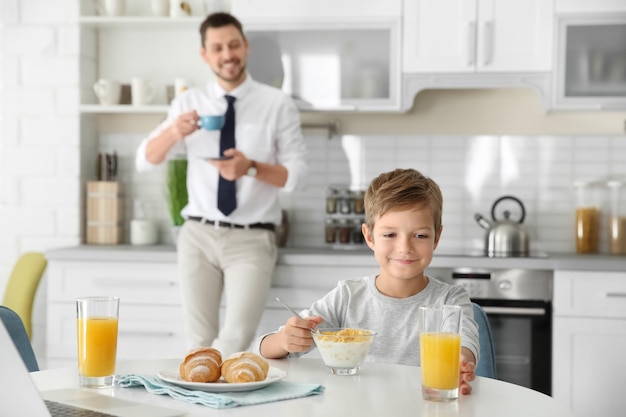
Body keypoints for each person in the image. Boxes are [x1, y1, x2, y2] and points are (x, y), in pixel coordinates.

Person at [135, 12, 308, 357]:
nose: (227, 55)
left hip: (252, 239)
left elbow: (298, 177)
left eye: (233, 45)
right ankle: (202, 410)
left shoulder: (276, 104)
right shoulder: (188, 103)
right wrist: (174, 131)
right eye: (217, 48)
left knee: (234, 342)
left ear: (244, 46)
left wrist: (252, 168)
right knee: (198, 344)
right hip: (197, 235)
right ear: (205, 54)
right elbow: (144, 160)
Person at [255, 168, 479, 395]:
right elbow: (264, 350)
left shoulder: (450, 299)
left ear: (437, 238)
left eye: (420, 235)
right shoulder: (347, 297)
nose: (405, 248)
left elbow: (465, 343)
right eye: (390, 235)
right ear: (369, 236)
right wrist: (284, 340)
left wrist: (460, 362)